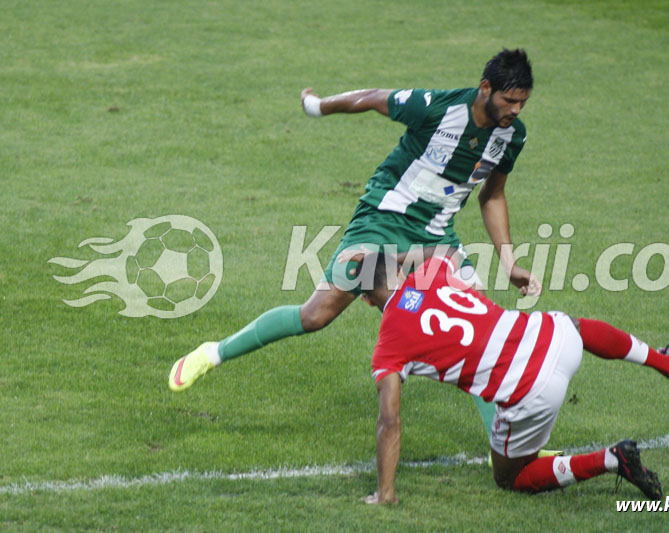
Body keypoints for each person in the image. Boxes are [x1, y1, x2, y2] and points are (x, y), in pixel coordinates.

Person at [168, 49, 542, 439]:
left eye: (522, 102)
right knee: (315, 315)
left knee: (481, 333)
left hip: (437, 235)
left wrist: (509, 261)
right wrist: (317, 106)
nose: (515, 109)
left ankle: (507, 449)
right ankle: (212, 353)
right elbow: (372, 98)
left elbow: (492, 195)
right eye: (509, 100)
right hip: (382, 219)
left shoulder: (512, 136)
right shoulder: (437, 107)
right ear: (485, 88)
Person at [354, 248, 669, 504]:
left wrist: (386, 492)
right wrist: (392, 256)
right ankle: (666, 362)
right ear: (399, 270)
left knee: (510, 477)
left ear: (367, 300)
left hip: (532, 390)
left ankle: (610, 459)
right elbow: (449, 252)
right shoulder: (429, 273)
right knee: (571, 324)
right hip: (558, 340)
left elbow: (390, 420)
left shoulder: (388, 346)